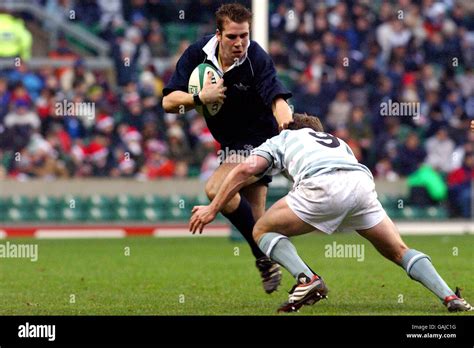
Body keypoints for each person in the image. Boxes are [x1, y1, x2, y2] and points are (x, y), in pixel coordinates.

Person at [190, 113, 473, 313]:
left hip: (322, 186)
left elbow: (244, 169)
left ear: (290, 128)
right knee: (399, 250)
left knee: (261, 229)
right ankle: (449, 295)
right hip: (361, 185)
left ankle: (307, 278)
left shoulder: (284, 137)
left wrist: (213, 207)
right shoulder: (336, 141)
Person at [163, 3, 293, 293]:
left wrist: (290, 128)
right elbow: (169, 102)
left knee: (214, 189)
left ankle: (280, 263)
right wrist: (200, 97)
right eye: (233, 36)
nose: (240, 43)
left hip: (261, 139)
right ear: (218, 34)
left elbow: (277, 99)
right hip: (231, 144)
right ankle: (292, 271)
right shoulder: (198, 54)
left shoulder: (256, 58)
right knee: (258, 224)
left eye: (244, 35)